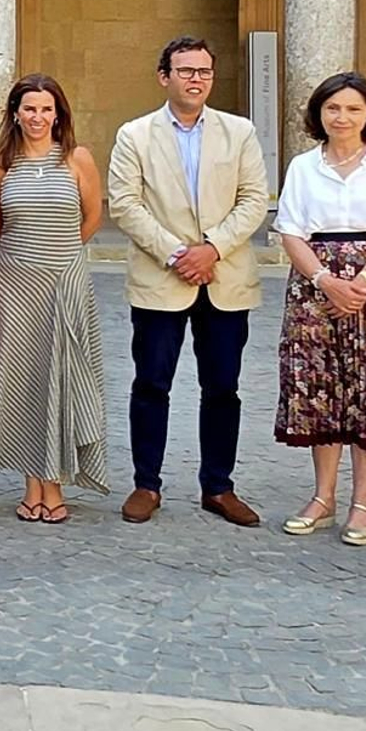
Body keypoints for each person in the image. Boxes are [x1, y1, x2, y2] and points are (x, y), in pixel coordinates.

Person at [106, 36, 269, 527]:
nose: (195, 79)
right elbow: (125, 204)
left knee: (223, 387)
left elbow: (254, 199)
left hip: (224, 278)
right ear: (164, 77)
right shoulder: (134, 135)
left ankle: (218, 486)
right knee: (151, 383)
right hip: (162, 279)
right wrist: (178, 253)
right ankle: (146, 484)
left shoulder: (239, 133)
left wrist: (212, 248)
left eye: (203, 71)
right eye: (185, 71)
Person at [272, 71, 366, 546]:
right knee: (320, 388)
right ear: (319, 113)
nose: (342, 117)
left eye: (353, 109)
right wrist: (323, 280)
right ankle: (323, 495)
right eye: (333, 108)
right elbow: (290, 230)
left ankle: (362, 502)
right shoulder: (302, 166)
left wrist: (362, 282)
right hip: (314, 283)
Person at [0, 73, 108, 521]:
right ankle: (32, 481)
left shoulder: (77, 158)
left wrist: (61, 255)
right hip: (15, 284)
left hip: (63, 280)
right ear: (16, 112)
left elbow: (92, 216)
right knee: (23, 381)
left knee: (63, 377)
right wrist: (26, 255)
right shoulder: (0, 163)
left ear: (58, 114)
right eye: (29, 108)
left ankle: (54, 484)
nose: (38, 117)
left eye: (46, 109)